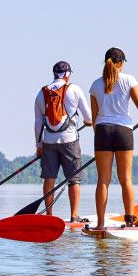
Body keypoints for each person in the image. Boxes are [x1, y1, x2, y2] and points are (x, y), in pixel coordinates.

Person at [88, 47, 138, 230]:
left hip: (103, 131)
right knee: (126, 179)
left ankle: (101, 224)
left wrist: (101, 135)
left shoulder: (95, 85)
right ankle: (130, 221)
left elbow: (95, 117)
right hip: (123, 131)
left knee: (103, 180)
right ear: (121, 63)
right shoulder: (129, 80)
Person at [34, 60, 92, 222]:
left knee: (49, 178)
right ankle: (74, 216)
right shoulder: (74, 89)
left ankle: (49, 215)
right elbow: (88, 117)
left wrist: (39, 146)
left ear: (54, 74)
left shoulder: (41, 93)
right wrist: (88, 122)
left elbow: (38, 123)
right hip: (70, 140)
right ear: (67, 74)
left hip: (49, 142)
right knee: (74, 179)